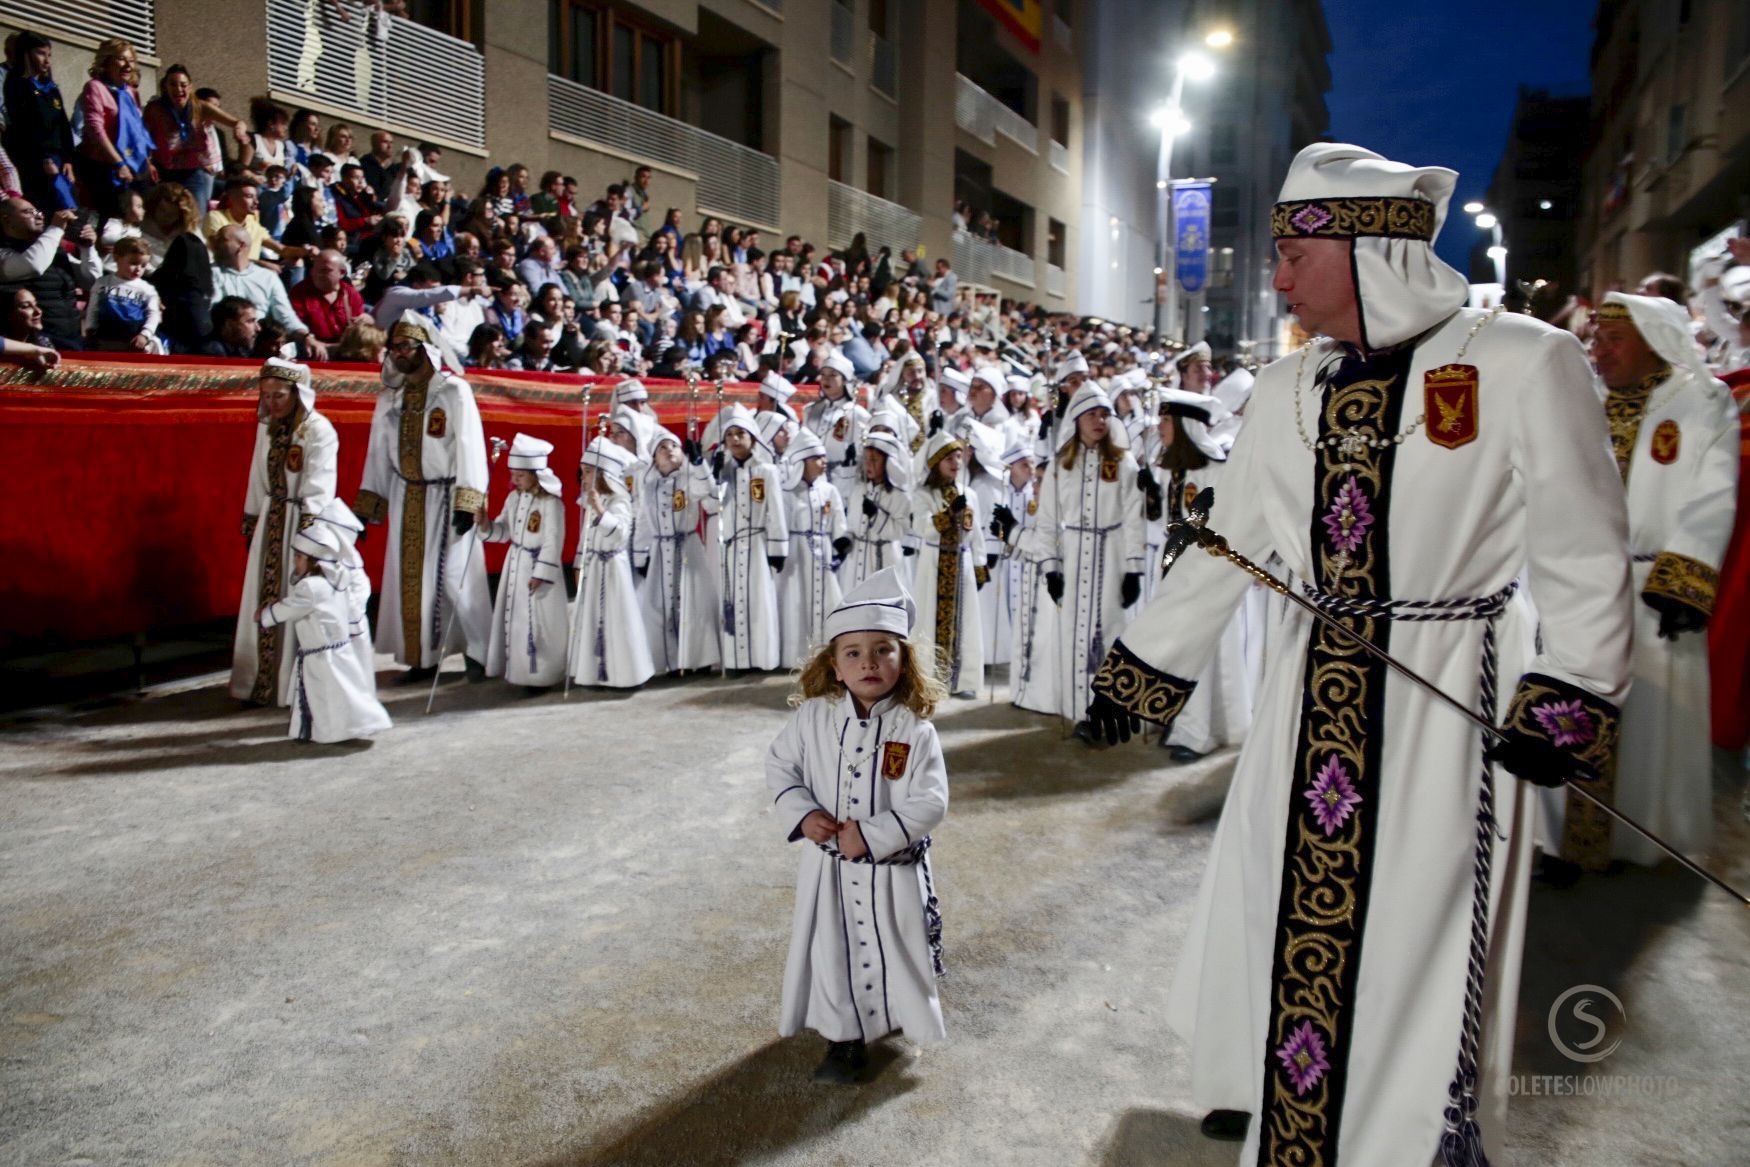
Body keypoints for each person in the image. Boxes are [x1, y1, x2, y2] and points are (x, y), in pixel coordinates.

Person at [1084, 143, 1632, 1163]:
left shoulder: (1520, 359)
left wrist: (1567, 697)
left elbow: (1583, 549)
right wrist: (1142, 672)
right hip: (1311, 690)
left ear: (1368, 246)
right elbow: (1232, 543)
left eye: (1295, 251)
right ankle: (1284, 1117)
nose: (1279, 275)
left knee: (1415, 942)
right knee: (1279, 904)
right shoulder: (1289, 384)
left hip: (1453, 705)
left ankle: (1405, 1143)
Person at [1535, 291, 1739, 876]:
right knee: (1568, 701)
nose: (1598, 351)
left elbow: (1713, 493)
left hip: (1656, 587)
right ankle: (1556, 838)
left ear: (1655, 341)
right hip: (1579, 582)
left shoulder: (1701, 400)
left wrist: (1685, 578)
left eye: (1612, 340)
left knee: (1648, 717)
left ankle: (1630, 839)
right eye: (1595, 339)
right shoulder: (1583, 399)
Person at [765, 565, 948, 1083]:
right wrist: (803, 812)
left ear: (903, 660)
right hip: (828, 873)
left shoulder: (916, 731)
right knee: (833, 950)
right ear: (835, 665)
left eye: (883, 649)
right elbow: (779, 765)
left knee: (896, 945)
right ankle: (842, 1042)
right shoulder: (812, 719)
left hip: (892, 870)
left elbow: (931, 800)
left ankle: (894, 1016)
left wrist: (870, 834)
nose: (869, 662)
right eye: (854, 652)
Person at [352, 315, 492, 678]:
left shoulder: (453, 391)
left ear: (425, 349)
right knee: (413, 581)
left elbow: (470, 445)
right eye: (394, 347)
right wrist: (368, 506)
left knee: (455, 577)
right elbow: (378, 452)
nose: (399, 353)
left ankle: (481, 653)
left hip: (447, 496)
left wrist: (468, 500)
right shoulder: (390, 396)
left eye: (406, 347)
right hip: (406, 496)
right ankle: (423, 658)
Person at [1022, 382, 1144, 734]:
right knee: (1073, 635)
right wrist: (1051, 568)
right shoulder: (1061, 465)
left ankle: (1113, 709)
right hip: (1074, 557)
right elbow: (1046, 522)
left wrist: (1133, 569)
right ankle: (1081, 712)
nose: (1099, 420)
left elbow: (1134, 518)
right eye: (1092, 413)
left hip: (1112, 554)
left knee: (1111, 632)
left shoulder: (1123, 463)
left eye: (1105, 414)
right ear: (1076, 419)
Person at [1145, 388, 1255, 761]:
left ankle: (1197, 731)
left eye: (1165, 420)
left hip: (1205, 571)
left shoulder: (1217, 469)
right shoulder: (1171, 471)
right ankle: (1178, 719)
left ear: (1184, 425)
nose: (1159, 427)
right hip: (1175, 570)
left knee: (1201, 650)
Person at [230, 359, 339, 706]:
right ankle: (258, 681)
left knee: (296, 598)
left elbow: (320, 486)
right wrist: (253, 521)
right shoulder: (268, 428)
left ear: (297, 393)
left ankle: (290, 685)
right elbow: (255, 476)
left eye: (279, 395)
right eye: (266, 396)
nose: (272, 403)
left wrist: (308, 539)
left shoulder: (318, 430)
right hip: (271, 519)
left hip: (299, 523)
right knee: (263, 596)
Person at [255, 522, 392, 743]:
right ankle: (331, 729)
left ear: (313, 561)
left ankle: (334, 732)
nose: (295, 561)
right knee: (339, 693)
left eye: (299, 557)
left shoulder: (310, 587)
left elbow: (290, 608)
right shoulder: (334, 580)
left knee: (328, 695)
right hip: (336, 651)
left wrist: (266, 614)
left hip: (322, 655)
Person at [475, 433, 568, 689]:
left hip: (538, 568)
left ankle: (543, 675)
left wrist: (541, 572)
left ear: (536, 474)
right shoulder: (514, 498)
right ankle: (520, 672)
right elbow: (504, 531)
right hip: (515, 565)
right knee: (516, 621)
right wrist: (486, 525)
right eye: (513, 474)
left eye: (520, 475)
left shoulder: (551, 504)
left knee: (539, 622)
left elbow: (553, 540)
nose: (514, 480)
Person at [568, 436, 656, 689]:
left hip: (613, 567)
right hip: (594, 566)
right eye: (583, 472)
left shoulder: (619, 501)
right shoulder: (589, 503)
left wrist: (600, 511)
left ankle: (626, 674)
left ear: (603, 474)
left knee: (617, 619)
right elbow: (585, 538)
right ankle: (593, 672)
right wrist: (579, 563)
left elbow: (620, 534)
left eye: (588, 472)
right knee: (592, 617)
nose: (583, 478)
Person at [907, 431, 989, 698]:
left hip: (961, 562)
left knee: (966, 620)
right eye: (949, 458)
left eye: (958, 456)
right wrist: (948, 514)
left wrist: (979, 564)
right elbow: (922, 527)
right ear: (936, 462)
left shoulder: (969, 494)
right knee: (930, 619)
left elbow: (975, 532)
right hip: (934, 564)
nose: (956, 463)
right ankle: (930, 677)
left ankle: (963, 679)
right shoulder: (923, 494)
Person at [634, 426, 721, 675]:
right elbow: (643, 521)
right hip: (662, 551)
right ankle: (669, 660)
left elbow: (706, 492)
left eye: (673, 446)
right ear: (654, 458)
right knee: (659, 606)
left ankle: (700, 659)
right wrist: (641, 553)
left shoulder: (688, 479)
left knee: (693, 602)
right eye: (663, 447)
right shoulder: (649, 488)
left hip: (687, 547)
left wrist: (698, 464)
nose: (669, 451)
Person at [714, 404, 790, 673]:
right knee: (732, 600)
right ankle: (736, 659)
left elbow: (775, 511)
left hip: (757, 544)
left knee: (759, 600)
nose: (735, 439)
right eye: (730, 434)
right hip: (731, 548)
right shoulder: (721, 472)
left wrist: (778, 547)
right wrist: (710, 475)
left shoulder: (766, 471)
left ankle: (762, 657)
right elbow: (712, 507)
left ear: (753, 438)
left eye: (740, 434)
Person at [778, 429, 851, 667]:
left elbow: (839, 521)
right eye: (817, 458)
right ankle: (795, 656)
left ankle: (828, 653)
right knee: (796, 602)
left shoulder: (829, 490)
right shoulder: (787, 492)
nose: (824, 462)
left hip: (823, 552)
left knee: (829, 602)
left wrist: (841, 546)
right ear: (802, 462)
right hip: (796, 554)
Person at [144, 64, 244, 212]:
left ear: (190, 87)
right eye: (173, 84)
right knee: (165, 217)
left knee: (194, 217)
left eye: (183, 85)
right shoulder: (155, 109)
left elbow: (237, 122)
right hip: (164, 170)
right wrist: (147, 162)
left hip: (192, 171)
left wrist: (239, 131)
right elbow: (143, 137)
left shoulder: (200, 107)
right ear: (165, 87)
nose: (178, 89)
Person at [75, 38, 155, 218]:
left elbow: (137, 131)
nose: (128, 65)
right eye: (121, 59)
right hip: (104, 167)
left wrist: (147, 161)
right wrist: (118, 162)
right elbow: (95, 129)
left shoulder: (130, 92)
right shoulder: (95, 87)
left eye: (131, 60)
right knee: (110, 220)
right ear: (107, 61)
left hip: (133, 166)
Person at [2, 33, 77, 214]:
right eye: (41, 54)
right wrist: (43, 157)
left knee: (67, 205)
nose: (46, 60)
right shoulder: (17, 84)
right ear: (26, 54)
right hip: (34, 159)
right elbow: (25, 126)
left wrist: (68, 159)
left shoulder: (50, 87)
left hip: (57, 158)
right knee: (48, 206)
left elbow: (63, 123)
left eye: (49, 55)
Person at [83, 236, 161, 352]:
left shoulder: (147, 289)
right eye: (134, 263)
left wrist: (145, 334)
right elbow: (93, 308)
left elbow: (153, 313)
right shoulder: (102, 283)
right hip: (104, 338)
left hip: (133, 340)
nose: (138, 269)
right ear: (116, 258)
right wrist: (90, 329)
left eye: (143, 265)